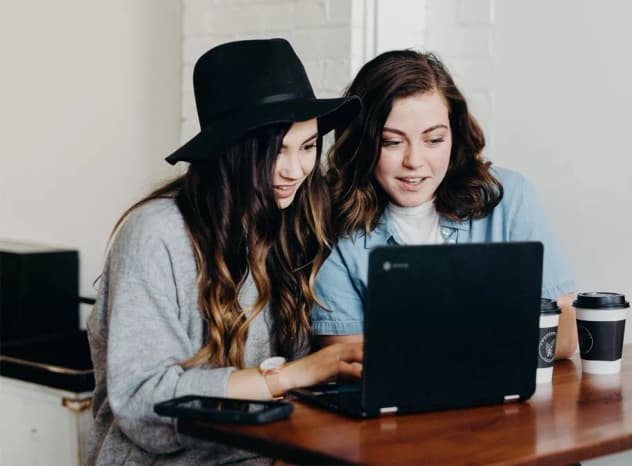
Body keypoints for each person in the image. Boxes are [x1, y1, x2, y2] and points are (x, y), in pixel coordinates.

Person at [86, 39, 362, 465]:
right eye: (275, 151)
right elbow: (142, 401)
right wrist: (290, 375)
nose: (295, 170)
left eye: (307, 147)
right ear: (231, 150)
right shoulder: (156, 234)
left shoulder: (292, 223)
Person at [311, 50, 578, 358]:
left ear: (455, 135)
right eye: (392, 142)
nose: (414, 161)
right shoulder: (332, 221)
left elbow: (566, 330)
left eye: (434, 140)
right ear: (362, 143)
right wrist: (492, 334)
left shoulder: (508, 196)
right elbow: (345, 358)